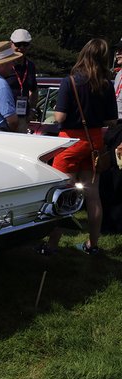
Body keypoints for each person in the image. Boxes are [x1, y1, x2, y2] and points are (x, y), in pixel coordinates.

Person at [39, 38, 117, 255]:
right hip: (94, 142)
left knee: (62, 194)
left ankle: (52, 244)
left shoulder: (71, 81)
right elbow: (111, 120)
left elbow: (60, 116)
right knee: (93, 195)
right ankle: (93, 244)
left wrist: (58, 111)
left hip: (70, 142)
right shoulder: (106, 85)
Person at [100, 37, 122, 234]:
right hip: (115, 127)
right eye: (118, 50)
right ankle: (109, 220)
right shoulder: (119, 74)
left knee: (117, 175)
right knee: (109, 173)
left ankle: (114, 223)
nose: (119, 54)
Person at [8, 29, 38, 133]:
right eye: (18, 44)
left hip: (22, 118)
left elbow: (34, 90)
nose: (21, 48)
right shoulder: (4, 65)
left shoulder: (30, 66)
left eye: (25, 44)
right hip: (5, 117)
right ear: (11, 44)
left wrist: (33, 109)